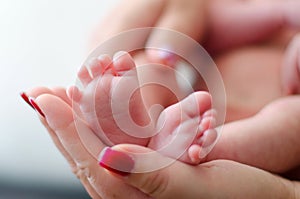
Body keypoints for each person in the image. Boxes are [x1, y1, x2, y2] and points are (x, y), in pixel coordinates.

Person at [21, 0, 300, 198]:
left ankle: (191, 150)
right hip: (188, 109)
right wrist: (278, 12)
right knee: (152, 65)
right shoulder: (258, 12)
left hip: (259, 123)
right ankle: (129, 116)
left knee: (290, 121)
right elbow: (212, 27)